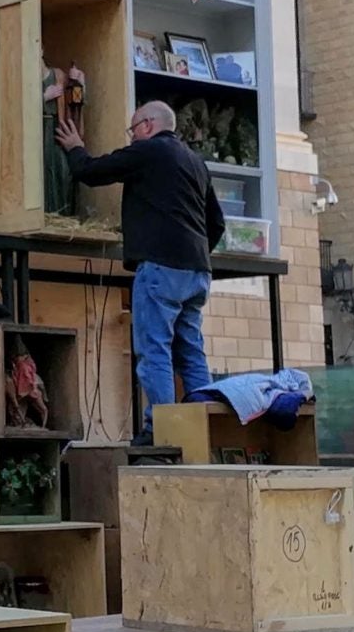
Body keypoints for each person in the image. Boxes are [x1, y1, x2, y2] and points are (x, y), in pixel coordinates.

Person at [53, 98, 226, 441]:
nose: (131, 137)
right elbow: (217, 223)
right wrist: (193, 251)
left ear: (147, 125)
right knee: (190, 351)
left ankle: (161, 430)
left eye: (132, 130)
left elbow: (92, 171)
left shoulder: (150, 152)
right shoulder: (195, 162)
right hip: (197, 271)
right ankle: (206, 430)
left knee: (154, 348)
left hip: (161, 267)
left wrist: (75, 148)